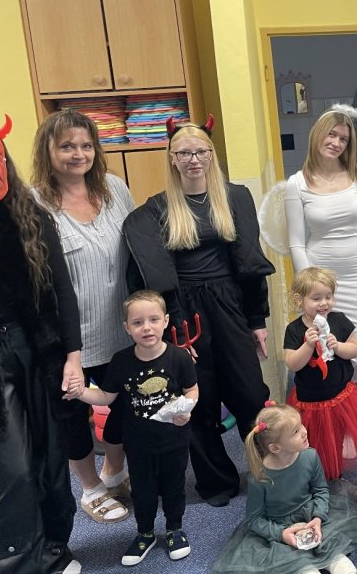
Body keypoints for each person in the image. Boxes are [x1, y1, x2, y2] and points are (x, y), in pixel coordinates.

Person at [0, 109, 83, 574]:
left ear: (5, 164)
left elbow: (62, 291)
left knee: (50, 463)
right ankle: (12, 562)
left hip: (37, 353)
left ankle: (52, 550)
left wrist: (73, 355)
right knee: (14, 470)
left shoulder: (30, 218)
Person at [122, 115, 275, 507]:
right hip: (185, 313)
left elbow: (250, 263)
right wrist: (170, 330)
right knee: (197, 399)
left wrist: (257, 320)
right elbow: (153, 276)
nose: (194, 159)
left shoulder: (235, 198)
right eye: (184, 153)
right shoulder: (156, 210)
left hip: (230, 305)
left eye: (201, 152)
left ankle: (268, 471)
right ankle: (216, 481)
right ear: (172, 158)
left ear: (211, 155)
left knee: (250, 393)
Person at [31, 109, 134, 525]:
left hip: (121, 327)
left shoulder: (115, 188)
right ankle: (90, 487)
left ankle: (114, 471)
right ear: (48, 151)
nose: (79, 154)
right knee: (72, 416)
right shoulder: (34, 202)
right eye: (67, 146)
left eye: (86, 145)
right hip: (66, 337)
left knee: (123, 405)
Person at [76, 290, 198, 566]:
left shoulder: (179, 357)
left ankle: (174, 529)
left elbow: (191, 390)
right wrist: (80, 392)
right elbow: (106, 396)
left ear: (166, 321)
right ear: (127, 328)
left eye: (154, 320)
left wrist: (186, 410)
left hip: (174, 441)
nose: (147, 327)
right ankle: (145, 533)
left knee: (174, 488)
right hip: (138, 445)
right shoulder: (121, 361)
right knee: (142, 491)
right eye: (138, 322)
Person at [282, 105, 357, 397]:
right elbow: (296, 243)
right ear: (317, 135)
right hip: (320, 286)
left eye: (344, 139)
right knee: (324, 358)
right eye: (331, 134)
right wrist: (310, 290)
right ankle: (331, 418)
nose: (336, 142)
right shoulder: (297, 184)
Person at [211, 404, 357, 574]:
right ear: (275, 448)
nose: (304, 431)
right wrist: (281, 534)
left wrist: (318, 517)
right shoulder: (260, 478)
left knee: (333, 550)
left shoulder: (310, 456)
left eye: (301, 425)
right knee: (299, 564)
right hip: (279, 528)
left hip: (311, 516)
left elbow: (320, 490)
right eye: (295, 431)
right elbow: (254, 519)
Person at [285, 266, 357, 479]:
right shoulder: (294, 329)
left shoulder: (338, 320)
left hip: (340, 397)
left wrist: (338, 346)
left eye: (328, 297)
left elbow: (354, 349)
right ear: (300, 300)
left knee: (335, 436)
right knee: (311, 440)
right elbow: (292, 363)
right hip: (309, 400)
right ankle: (312, 472)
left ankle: (334, 471)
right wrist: (307, 345)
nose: (324, 303)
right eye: (316, 298)